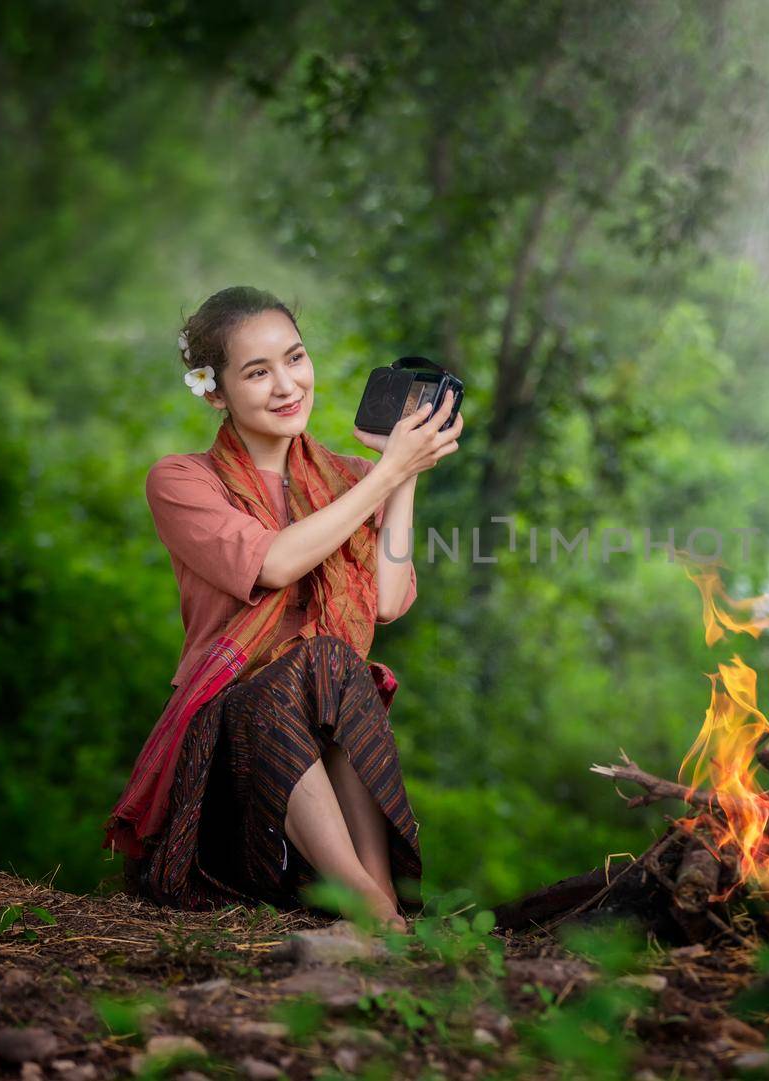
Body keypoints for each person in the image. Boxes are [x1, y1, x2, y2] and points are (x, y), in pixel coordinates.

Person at [102, 285, 462, 933]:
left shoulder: (352, 479)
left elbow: (385, 601)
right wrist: (383, 477)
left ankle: (376, 895)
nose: (287, 384)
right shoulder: (183, 481)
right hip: (233, 784)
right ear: (215, 392)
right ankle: (369, 902)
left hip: (327, 756)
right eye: (258, 372)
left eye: (295, 359)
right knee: (274, 684)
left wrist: (399, 473)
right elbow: (272, 563)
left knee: (333, 660)